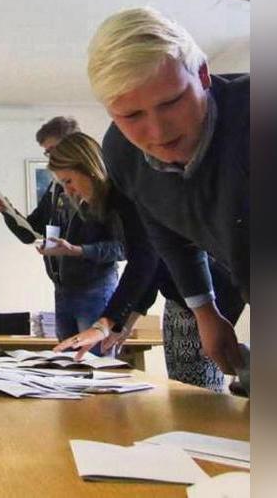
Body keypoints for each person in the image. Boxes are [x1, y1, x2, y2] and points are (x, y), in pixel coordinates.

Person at [86, 7, 249, 380]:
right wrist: (205, 311)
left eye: (171, 102)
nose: (157, 133)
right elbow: (164, 224)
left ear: (203, 74)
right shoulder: (121, 152)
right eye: (131, 116)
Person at [47, 133, 244, 391]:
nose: (68, 190)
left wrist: (105, 323)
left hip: (208, 294)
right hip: (178, 296)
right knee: (184, 388)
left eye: (69, 180)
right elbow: (153, 263)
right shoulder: (115, 200)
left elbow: (145, 259)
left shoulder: (126, 192)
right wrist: (125, 323)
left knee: (198, 392)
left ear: (89, 166)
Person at [0, 117, 123, 347]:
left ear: (74, 145)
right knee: (67, 363)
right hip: (62, 290)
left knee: (95, 365)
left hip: (95, 289)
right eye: (47, 153)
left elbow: (123, 248)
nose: (51, 159)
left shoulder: (108, 187)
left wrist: (79, 251)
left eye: (53, 150)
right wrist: (8, 213)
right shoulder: (55, 188)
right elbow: (31, 233)